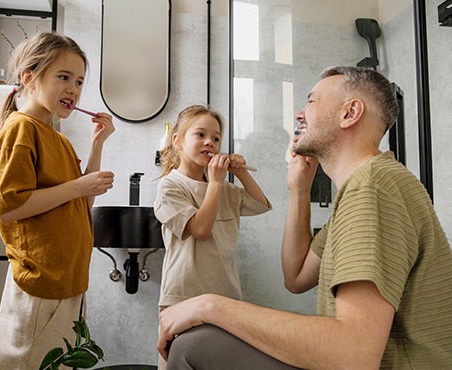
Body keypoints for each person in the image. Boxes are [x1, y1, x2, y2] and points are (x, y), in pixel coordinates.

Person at [157, 67, 452, 369]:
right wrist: (299, 190)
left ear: (350, 113)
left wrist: (210, 305)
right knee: (196, 342)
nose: (300, 114)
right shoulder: (360, 189)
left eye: (312, 101)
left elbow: (355, 354)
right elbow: (296, 277)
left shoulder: (372, 188)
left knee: (192, 346)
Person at [0, 32, 115, 369]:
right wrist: (78, 186)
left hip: (67, 280)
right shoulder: (21, 129)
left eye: (79, 81)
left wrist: (97, 145)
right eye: (63, 77)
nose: (74, 89)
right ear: (29, 78)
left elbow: (82, 205)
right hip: (41, 281)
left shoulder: (60, 141)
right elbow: (11, 208)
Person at [154, 104, 272, 369]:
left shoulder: (225, 189)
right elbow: (200, 230)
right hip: (183, 297)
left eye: (216, 138)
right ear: (177, 141)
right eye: (200, 135)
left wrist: (240, 173)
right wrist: (216, 182)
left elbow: (262, 205)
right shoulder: (170, 186)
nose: (210, 142)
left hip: (225, 297)